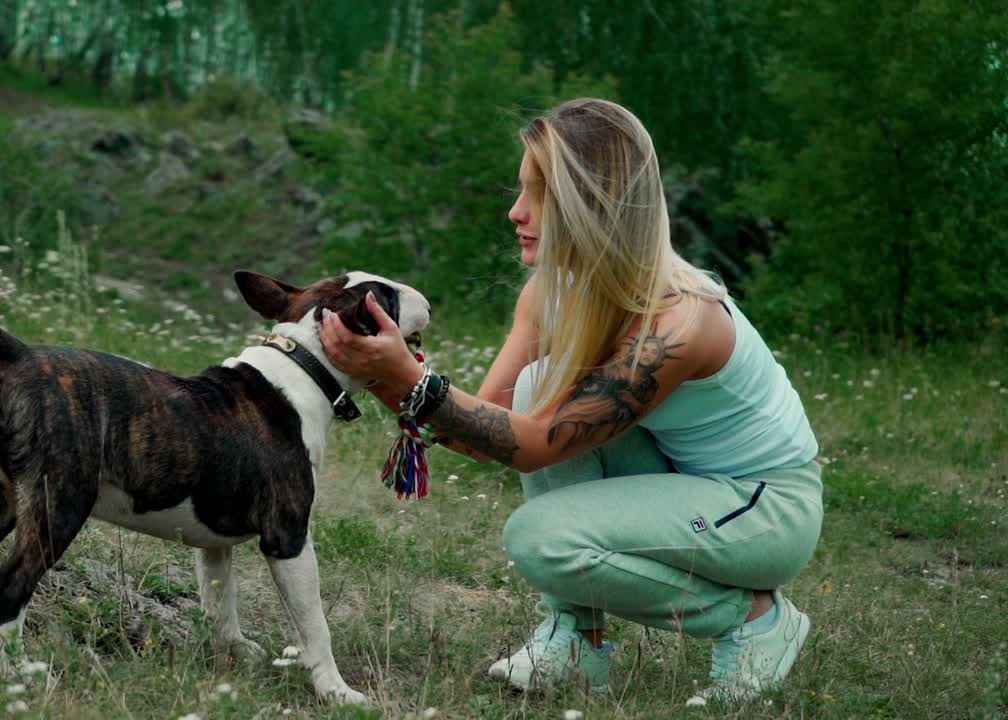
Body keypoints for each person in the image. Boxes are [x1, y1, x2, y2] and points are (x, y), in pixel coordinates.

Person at [318, 98, 822, 704]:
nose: (515, 212)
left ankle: (756, 622)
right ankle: (577, 642)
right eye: (521, 189)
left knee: (542, 540)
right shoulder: (553, 294)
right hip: (684, 481)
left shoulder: (680, 323)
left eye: (540, 195)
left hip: (764, 511)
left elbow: (530, 448)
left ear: (595, 207)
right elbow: (484, 430)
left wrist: (404, 379)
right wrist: (380, 374)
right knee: (539, 384)